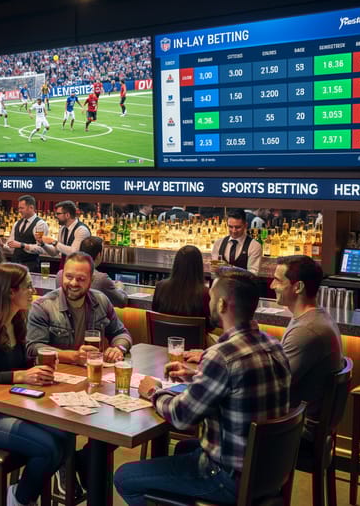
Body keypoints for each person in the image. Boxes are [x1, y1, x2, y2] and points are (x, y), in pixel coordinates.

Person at [114, 267, 291, 506]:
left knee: (125, 477)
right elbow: (236, 387)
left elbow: (182, 416)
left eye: (211, 297)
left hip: (227, 477)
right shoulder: (273, 345)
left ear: (222, 305)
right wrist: (197, 375)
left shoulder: (222, 355)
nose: (207, 303)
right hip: (267, 470)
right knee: (183, 448)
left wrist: (152, 391)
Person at [0, 263, 85, 506]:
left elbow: (22, 362)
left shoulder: (16, 320)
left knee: (65, 435)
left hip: (8, 406)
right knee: (48, 448)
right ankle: (18, 499)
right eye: (27, 286)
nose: (32, 290)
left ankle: (23, 494)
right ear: (10, 292)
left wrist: (43, 366)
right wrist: (19, 376)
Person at [26, 252, 132, 365]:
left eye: (81, 279)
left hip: (91, 372)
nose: (73, 283)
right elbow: (34, 347)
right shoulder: (42, 306)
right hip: (56, 373)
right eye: (69, 277)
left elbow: (121, 333)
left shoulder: (101, 300)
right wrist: (73, 356)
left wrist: (119, 349)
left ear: (91, 280)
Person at [271, 255, 343, 417]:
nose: (272, 285)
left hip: (295, 428)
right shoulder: (314, 318)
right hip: (296, 419)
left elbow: (275, 384)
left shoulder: (307, 329)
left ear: (298, 287)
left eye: (278, 281)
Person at [152, 245, 212, 331]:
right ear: (199, 265)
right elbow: (210, 325)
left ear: (176, 263)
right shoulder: (206, 293)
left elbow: (155, 312)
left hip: (161, 341)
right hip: (195, 343)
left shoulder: (160, 287)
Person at [79, 237, 128, 307]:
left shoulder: (62, 274)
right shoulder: (101, 279)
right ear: (99, 255)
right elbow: (122, 302)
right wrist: (120, 287)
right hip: (94, 317)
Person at [42, 200, 91, 268]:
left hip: (79, 269)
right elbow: (54, 252)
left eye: (58, 214)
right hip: (65, 267)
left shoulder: (81, 230)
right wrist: (43, 244)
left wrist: (53, 242)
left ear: (67, 215)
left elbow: (74, 252)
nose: (56, 216)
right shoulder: (63, 229)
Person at [211, 208, 262, 274]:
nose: (234, 231)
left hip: (243, 284)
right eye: (230, 227)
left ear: (245, 225)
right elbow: (214, 270)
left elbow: (253, 274)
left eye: (237, 227)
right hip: (221, 283)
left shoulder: (254, 245)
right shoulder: (218, 243)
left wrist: (227, 267)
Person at [7, 195, 48, 273]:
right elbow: (11, 246)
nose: (19, 210)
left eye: (22, 208)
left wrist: (22, 245)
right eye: (19, 208)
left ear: (31, 208)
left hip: (30, 267)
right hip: (15, 266)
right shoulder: (17, 223)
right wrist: (2, 246)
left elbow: (41, 249)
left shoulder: (40, 224)